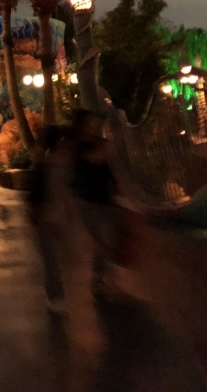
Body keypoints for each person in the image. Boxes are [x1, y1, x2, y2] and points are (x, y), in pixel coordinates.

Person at [69, 110, 121, 299]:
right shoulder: (79, 146)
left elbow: (108, 168)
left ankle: (99, 278)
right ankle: (106, 281)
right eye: (91, 123)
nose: (95, 125)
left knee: (105, 240)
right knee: (101, 240)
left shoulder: (100, 142)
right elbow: (94, 160)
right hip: (88, 200)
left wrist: (116, 187)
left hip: (104, 198)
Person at [29, 125, 75, 314]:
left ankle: (57, 294)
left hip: (58, 215)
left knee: (58, 258)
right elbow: (37, 194)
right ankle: (55, 295)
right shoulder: (46, 165)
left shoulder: (60, 163)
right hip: (49, 216)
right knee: (52, 259)